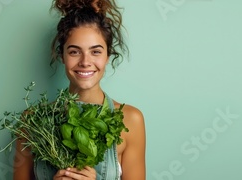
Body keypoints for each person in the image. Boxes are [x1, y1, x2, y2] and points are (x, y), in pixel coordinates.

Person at [12, 0, 146, 179]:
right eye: (74, 51)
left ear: (107, 56)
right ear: (62, 55)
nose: (85, 62)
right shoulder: (32, 122)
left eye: (96, 51)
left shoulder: (131, 120)